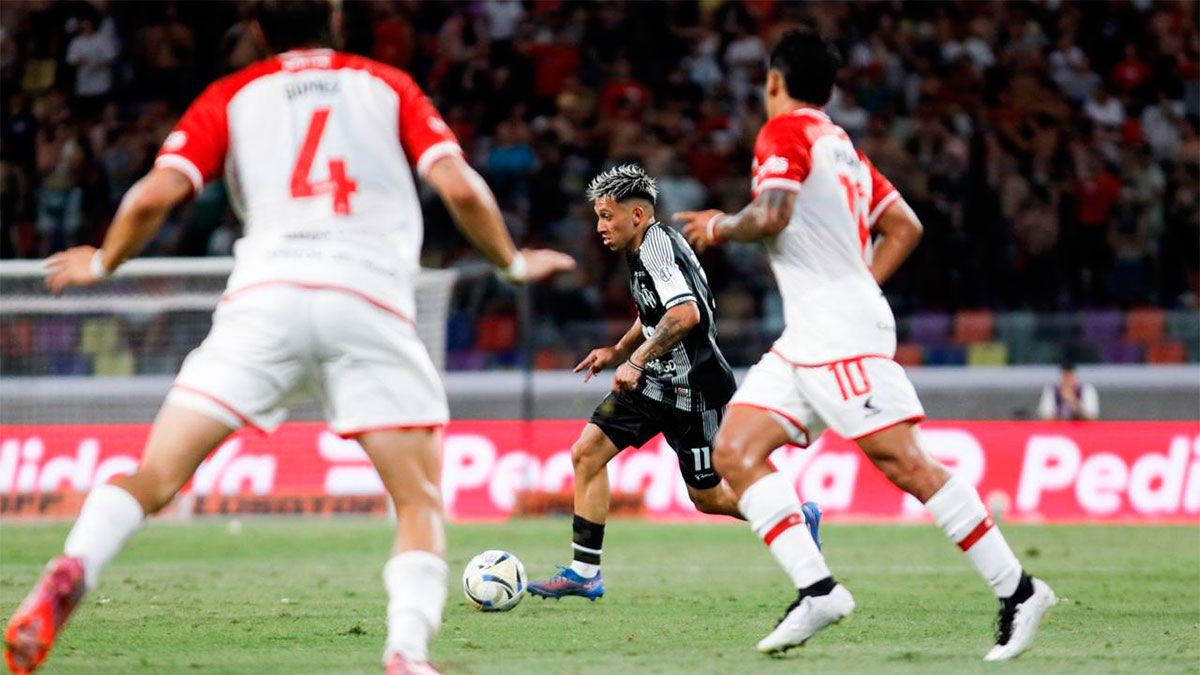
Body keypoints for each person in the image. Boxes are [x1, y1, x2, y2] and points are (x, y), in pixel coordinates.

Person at [4, 3, 574, 675]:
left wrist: (104, 261)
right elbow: (462, 188)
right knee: (417, 501)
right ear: (335, 15)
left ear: (255, 29)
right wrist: (511, 264)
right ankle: (406, 653)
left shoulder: (231, 94)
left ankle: (75, 563)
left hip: (263, 301)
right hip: (365, 298)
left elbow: (153, 196)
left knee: (152, 476)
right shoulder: (387, 84)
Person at [677, 28, 1055, 661]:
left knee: (905, 463)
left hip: (838, 333)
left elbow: (770, 214)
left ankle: (1019, 590)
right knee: (735, 450)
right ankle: (818, 591)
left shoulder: (785, 132)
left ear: (774, 81)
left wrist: (717, 226)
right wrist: (858, 287)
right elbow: (904, 226)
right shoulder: (842, 147)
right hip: (813, 333)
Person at [527, 164, 821, 601]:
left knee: (708, 498)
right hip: (651, 385)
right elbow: (655, 312)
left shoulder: (657, 247)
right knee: (587, 453)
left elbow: (685, 315)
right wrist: (618, 352)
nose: (600, 226)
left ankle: (793, 516)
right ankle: (584, 573)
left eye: (607, 216)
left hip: (695, 392)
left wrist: (637, 360)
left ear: (637, 215)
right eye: (598, 217)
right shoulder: (642, 247)